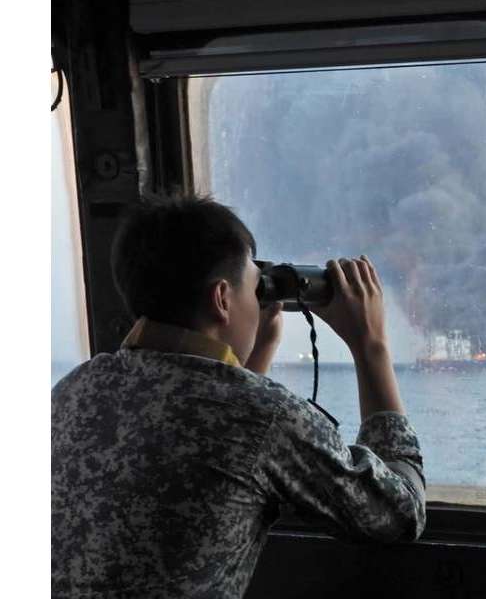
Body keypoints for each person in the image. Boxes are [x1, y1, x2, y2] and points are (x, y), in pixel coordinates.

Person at [51, 197, 426, 598]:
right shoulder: (266, 417)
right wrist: (371, 346)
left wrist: (255, 354)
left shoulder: (72, 390)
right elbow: (398, 513)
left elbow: (210, 436)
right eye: (255, 286)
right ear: (222, 299)